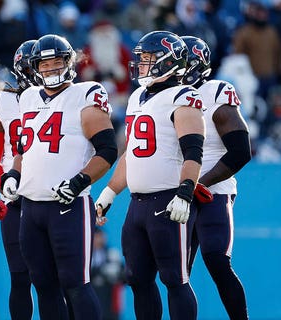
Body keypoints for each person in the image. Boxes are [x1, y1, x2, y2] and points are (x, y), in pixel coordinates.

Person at [0, 34, 118, 319]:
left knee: (76, 284)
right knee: (44, 286)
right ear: (35, 67)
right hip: (30, 207)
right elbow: (23, 148)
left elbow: (107, 150)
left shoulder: (86, 93)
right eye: (44, 64)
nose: (50, 69)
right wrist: (12, 174)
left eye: (56, 63)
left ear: (69, 62)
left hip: (68, 206)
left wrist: (79, 182)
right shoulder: (27, 97)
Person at [94, 31, 204, 319]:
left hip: (169, 200)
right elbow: (132, 153)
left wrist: (185, 192)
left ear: (169, 62)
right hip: (138, 203)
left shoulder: (183, 96)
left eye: (148, 58)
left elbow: (193, 153)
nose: (141, 64)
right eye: (141, 58)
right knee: (137, 279)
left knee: (174, 279)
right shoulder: (136, 97)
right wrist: (109, 193)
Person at [181, 35, 251, 319]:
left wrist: (200, 184)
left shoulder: (215, 92)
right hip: (177, 191)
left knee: (216, 259)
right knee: (177, 272)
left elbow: (240, 151)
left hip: (213, 189)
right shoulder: (164, 98)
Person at [0, 39, 36, 320]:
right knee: (19, 277)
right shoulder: (3, 101)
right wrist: (3, 183)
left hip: (47, 196)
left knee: (56, 278)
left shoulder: (64, 97)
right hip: (14, 195)